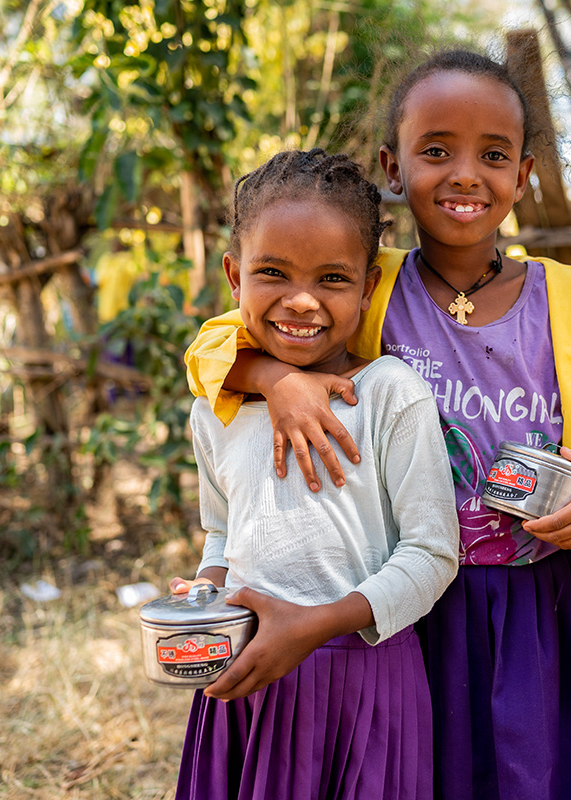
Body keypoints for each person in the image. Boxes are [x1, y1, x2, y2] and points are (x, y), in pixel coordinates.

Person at [184, 51, 571, 800]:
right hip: (415, 608)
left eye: (492, 155)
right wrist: (275, 379)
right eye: (436, 150)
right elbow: (216, 344)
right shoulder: (361, 281)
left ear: (523, 176)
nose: (463, 174)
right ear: (394, 165)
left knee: (541, 776)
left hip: (548, 612)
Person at [170, 148, 459, 800]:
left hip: (365, 683)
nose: (301, 300)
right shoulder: (213, 408)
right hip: (250, 676)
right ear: (234, 277)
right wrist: (206, 595)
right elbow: (221, 536)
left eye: (331, 278)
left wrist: (319, 623)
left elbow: (435, 553)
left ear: (369, 286)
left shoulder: (389, 394)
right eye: (273, 272)